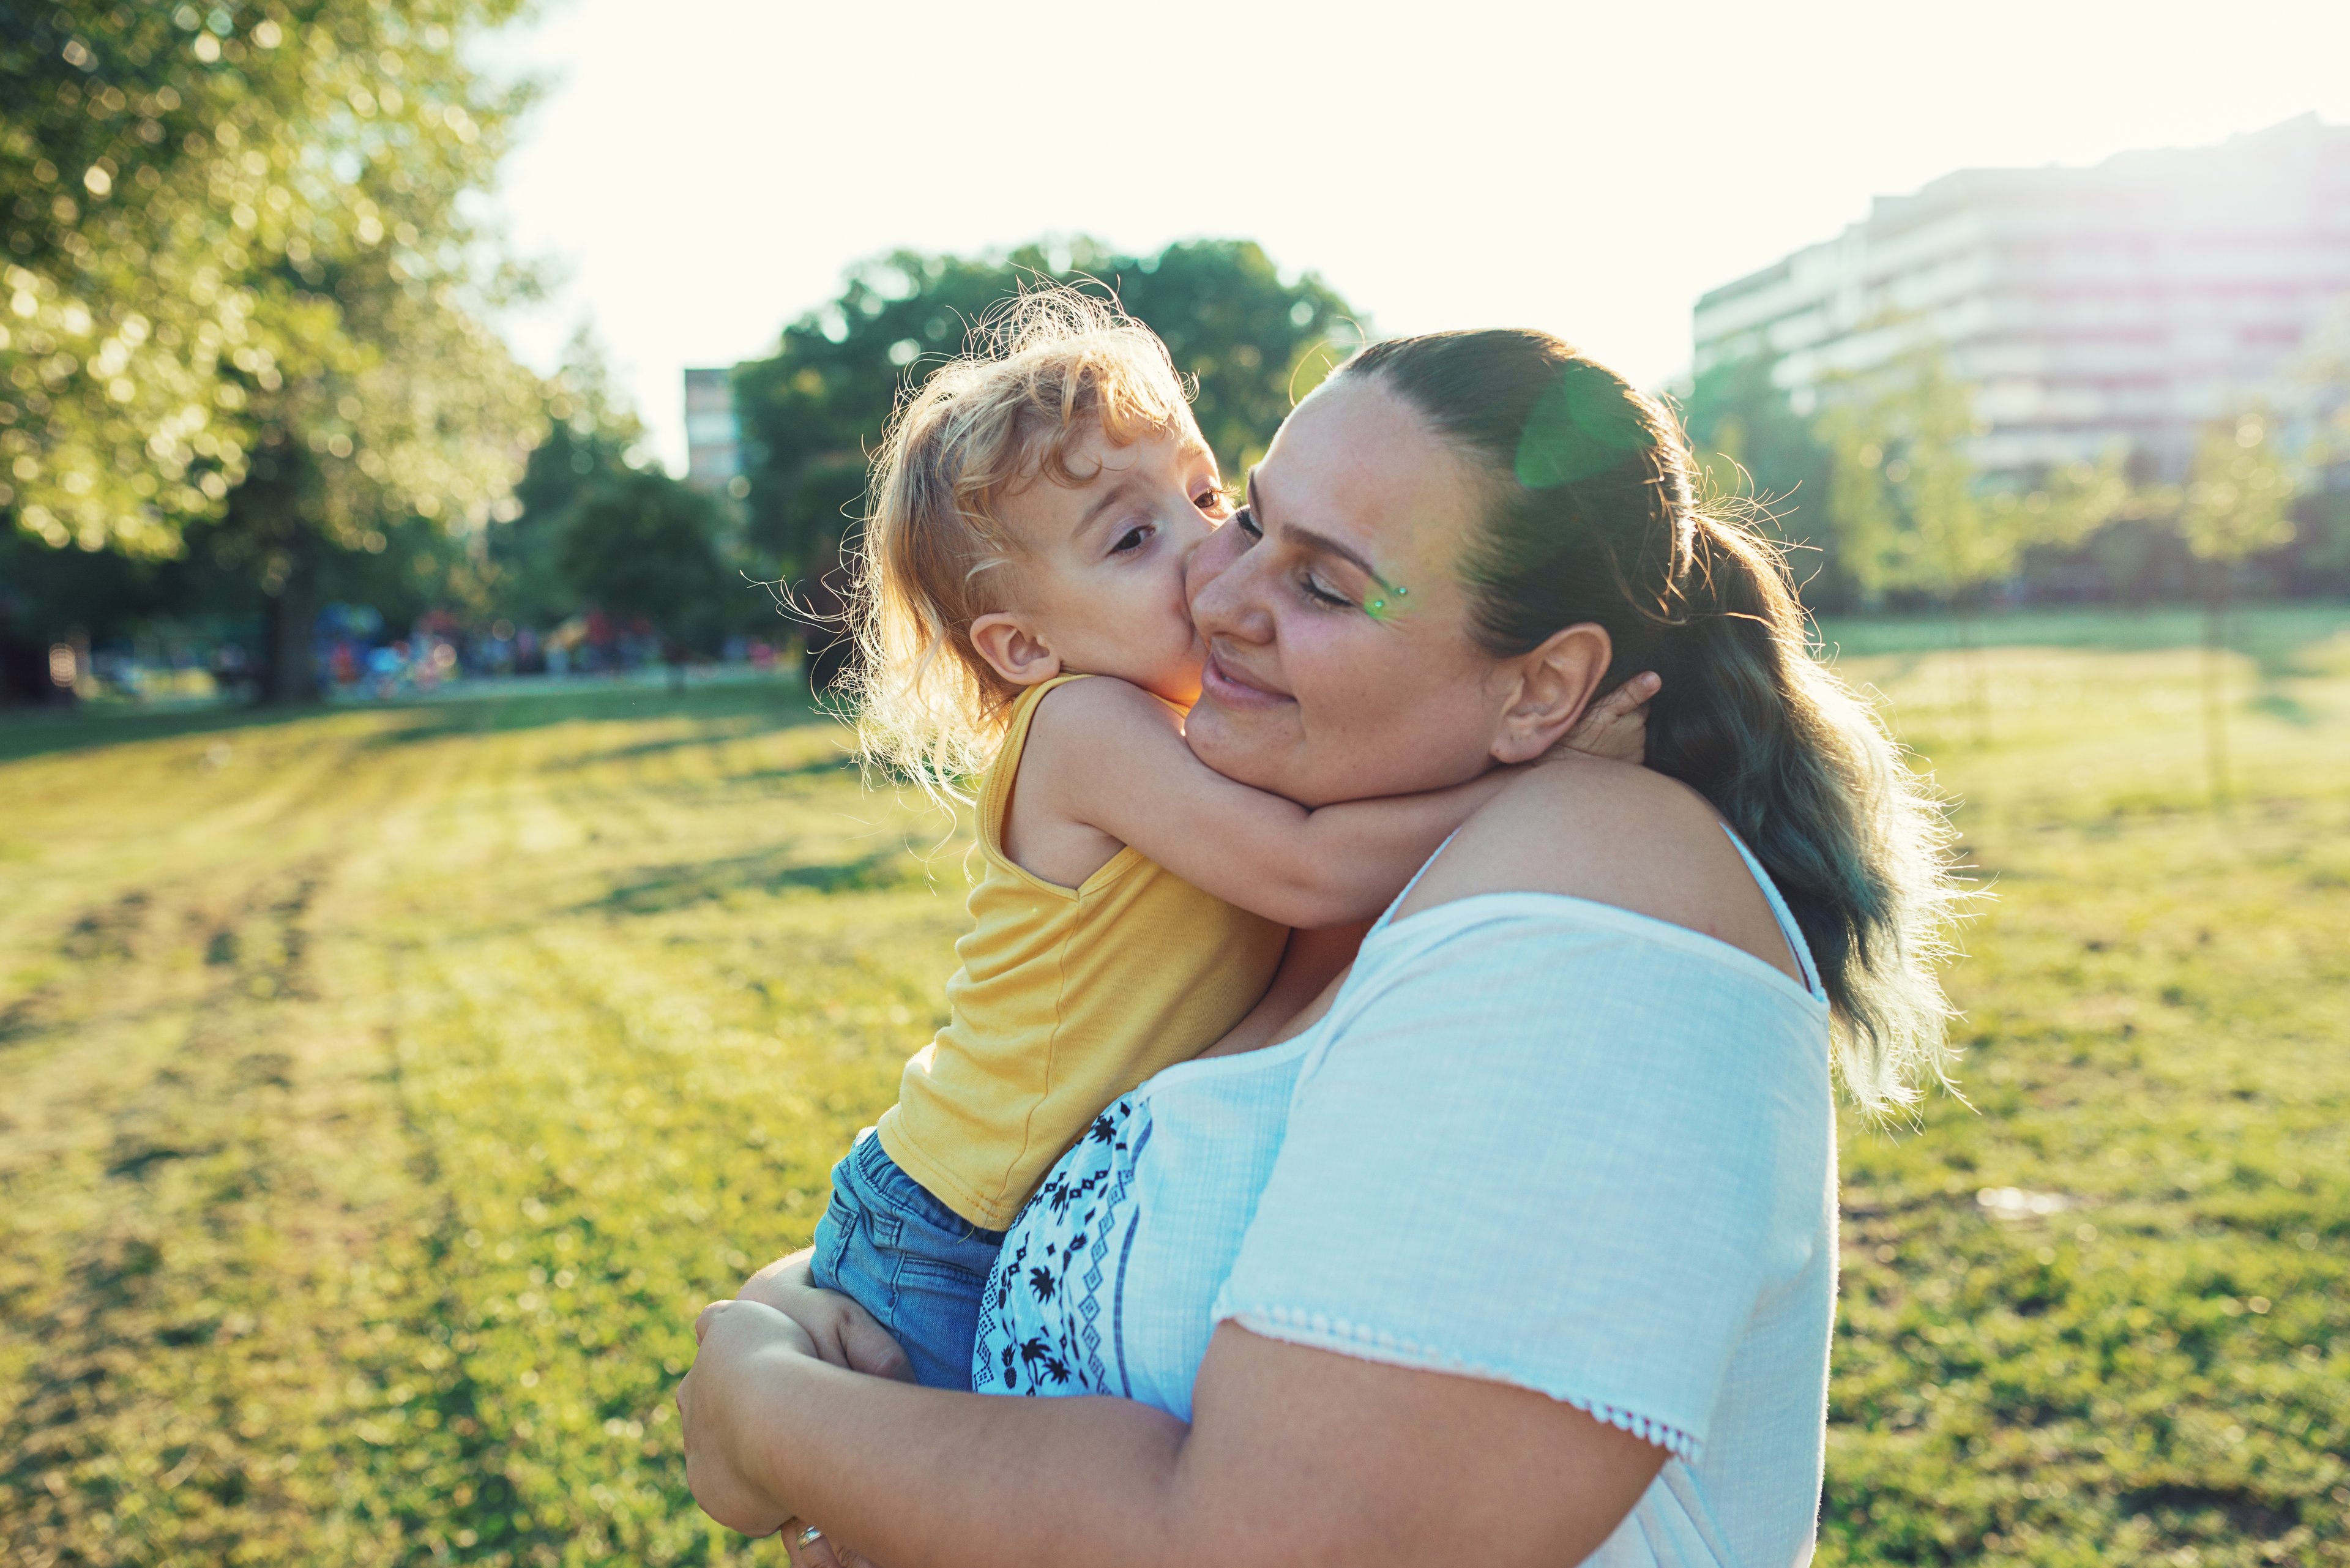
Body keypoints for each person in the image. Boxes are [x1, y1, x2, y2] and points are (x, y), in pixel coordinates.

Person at [680, 327, 1963, 1568]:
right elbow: (1076, 1208)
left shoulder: (1601, 885)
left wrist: (770, 1414)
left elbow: (1279, 1546)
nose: (1217, 587)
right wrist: (790, 1320)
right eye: (1249, 515)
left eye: (1324, 583)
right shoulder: (1291, 884)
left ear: (1541, 694)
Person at [802, 296, 1655, 1389]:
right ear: (1025, 644)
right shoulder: (1084, 726)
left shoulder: (1185, 731)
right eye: (1132, 536)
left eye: (1208, 494)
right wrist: (1544, 770)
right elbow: (1305, 865)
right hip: (945, 1222)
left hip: (1008, 1204)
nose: (1209, 547)